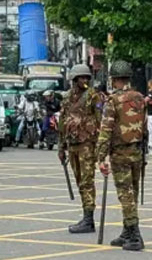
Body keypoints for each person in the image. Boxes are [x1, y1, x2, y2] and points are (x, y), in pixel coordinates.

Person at [96, 60, 147, 251]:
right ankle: (127, 231)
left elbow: (106, 129)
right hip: (137, 152)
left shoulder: (113, 101)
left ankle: (134, 235)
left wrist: (101, 158)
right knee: (132, 192)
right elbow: (144, 127)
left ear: (114, 79)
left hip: (120, 153)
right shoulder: (140, 98)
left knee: (126, 194)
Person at [57, 64, 103, 234]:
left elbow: (101, 121)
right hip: (72, 144)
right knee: (79, 181)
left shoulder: (93, 97)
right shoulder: (67, 97)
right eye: (81, 78)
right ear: (74, 80)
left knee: (87, 181)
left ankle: (89, 219)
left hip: (87, 144)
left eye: (86, 78)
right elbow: (62, 123)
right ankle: (86, 215)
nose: (84, 81)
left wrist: (101, 146)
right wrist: (61, 147)